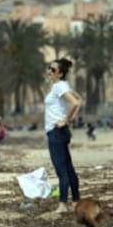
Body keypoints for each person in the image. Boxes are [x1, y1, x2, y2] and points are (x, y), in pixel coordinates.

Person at [44, 58, 83, 214]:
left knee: (62, 170)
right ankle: (75, 201)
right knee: (68, 167)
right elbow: (79, 100)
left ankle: (62, 205)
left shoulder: (59, 86)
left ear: (59, 74)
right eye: (49, 68)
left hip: (56, 132)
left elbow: (74, 103)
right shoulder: (63, 85)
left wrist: (65, 120)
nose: (49, 71)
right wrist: (71, 118)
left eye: (52, 70)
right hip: (61, 131)